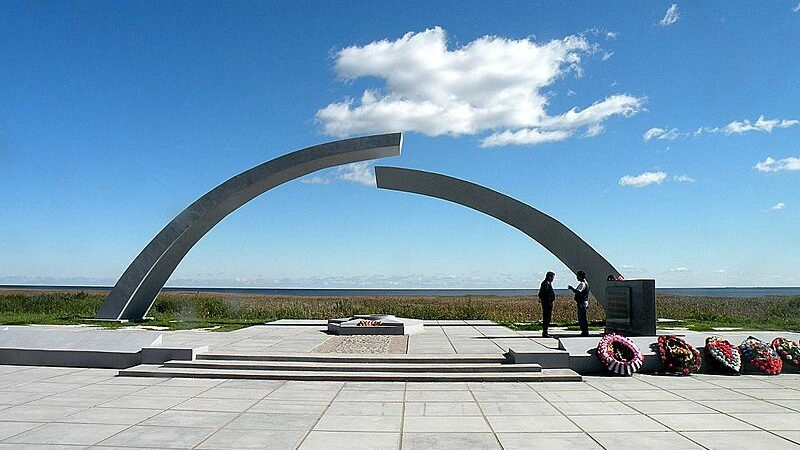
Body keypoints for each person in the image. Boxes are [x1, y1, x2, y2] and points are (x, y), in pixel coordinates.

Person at [568, 270, 590, 337]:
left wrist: (572, 288)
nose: (576, 277)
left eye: (577, 276)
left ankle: (584, 331)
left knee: (582, 318)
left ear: (580, 276)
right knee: (583, 317)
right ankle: (584, 331)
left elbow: (578, 292)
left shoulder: (582, 284)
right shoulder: (586, 283)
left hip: (582, 302)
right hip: (584, 302)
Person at [537, 271, 556, 337]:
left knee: (548, 317)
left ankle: (545, 331)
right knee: (546, 317)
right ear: (549, 277)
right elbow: (543, 293)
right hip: (547, 303)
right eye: (552, 277)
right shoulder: (545, 284)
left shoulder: (547, 283)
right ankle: (545, 332)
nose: (553, 279)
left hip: (548, 302)